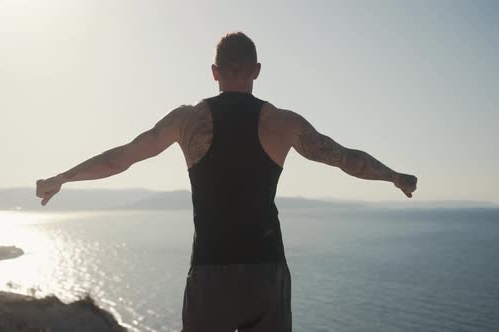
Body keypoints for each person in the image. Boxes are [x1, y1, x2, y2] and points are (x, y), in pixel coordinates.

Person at [36, 32, 418, 332]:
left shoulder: (187, 121)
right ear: (256, 70)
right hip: (266, 272)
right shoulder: (281, 123)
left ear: (215, 71)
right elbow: (344, 158)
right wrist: (394, 176)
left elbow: (122, 158)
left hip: (210, 272)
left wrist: (62, 178)